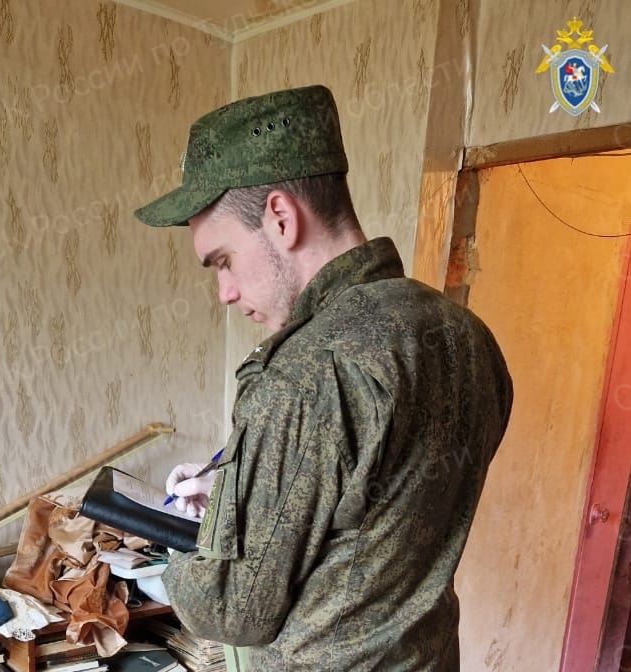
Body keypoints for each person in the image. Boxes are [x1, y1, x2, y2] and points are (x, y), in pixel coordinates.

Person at [134, 85, 513, 671]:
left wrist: (176, 543)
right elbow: (369, 516)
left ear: (281, 218)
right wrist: (237, 501)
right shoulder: (467, 336)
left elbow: (233, 611)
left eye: (224, 261)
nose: (225, 292)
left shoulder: (305, 372)